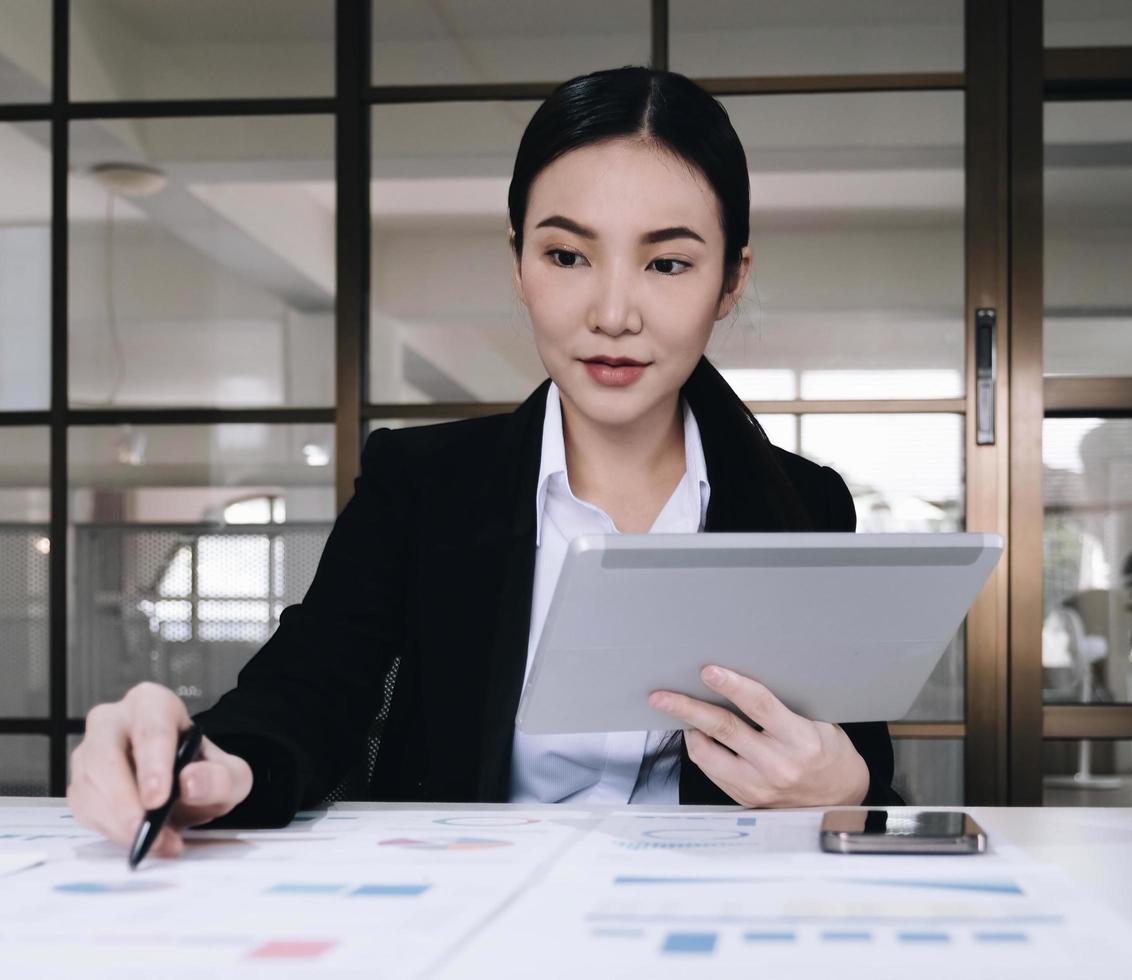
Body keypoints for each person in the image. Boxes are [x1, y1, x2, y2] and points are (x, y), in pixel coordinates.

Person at [68, 66, 902, 856]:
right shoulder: (421, 484)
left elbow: (853, 760)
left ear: (730, 281)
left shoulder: (803, 499)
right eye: (567, 255)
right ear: (518, 265)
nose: (613, 313)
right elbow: (308, 690)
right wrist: (216, 765)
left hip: (695, 914)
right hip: (465, 909)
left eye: (668, 263)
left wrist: (844, 787)